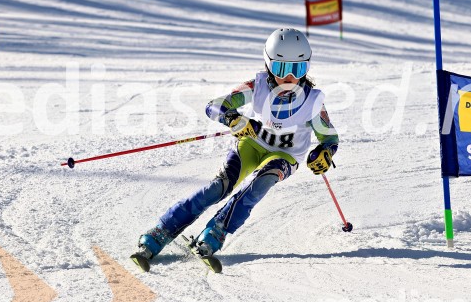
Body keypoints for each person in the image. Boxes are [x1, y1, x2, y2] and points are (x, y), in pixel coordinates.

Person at [131, 29, 339, 272]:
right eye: (282, 69)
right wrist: (232, 119)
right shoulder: (258, 85)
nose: (290, 77)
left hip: (286, 155)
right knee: (218, 187)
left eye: (299, 69)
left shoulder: (313, 101)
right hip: (252, 144)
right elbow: (214, 106)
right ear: (269, 64)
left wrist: (325, 152)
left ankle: (214, 233)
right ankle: (159, 233)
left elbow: (329, 136)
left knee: (261, 183)